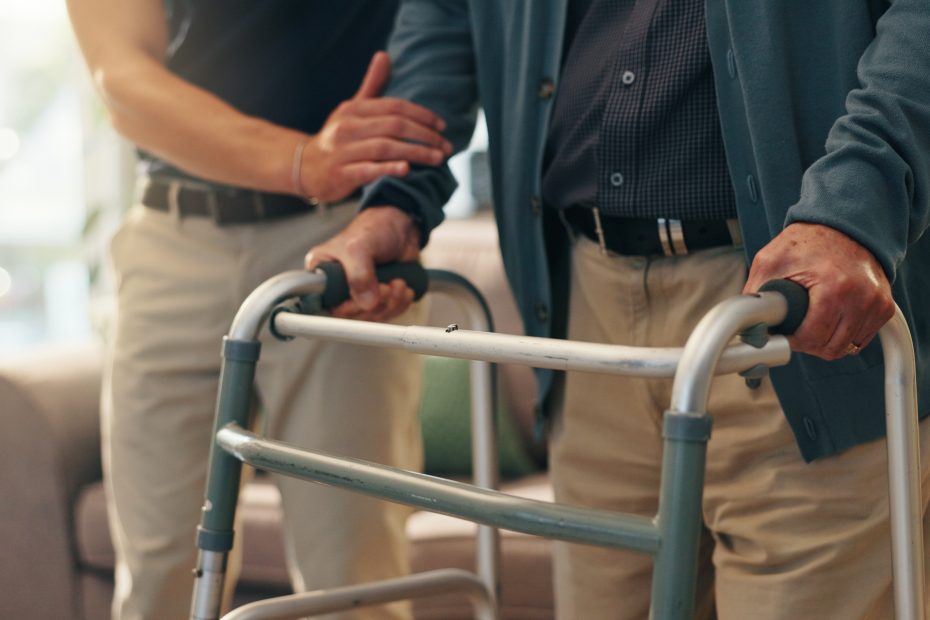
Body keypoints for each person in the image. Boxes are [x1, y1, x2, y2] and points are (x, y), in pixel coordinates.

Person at [305, 1, 930, 618]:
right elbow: (449, 15)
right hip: (585, 312)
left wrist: (856, 205)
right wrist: (396, 200)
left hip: (792, 302)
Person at [66, 1, 452, 618]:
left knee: (353, 580)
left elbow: (449, 36)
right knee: (161, 574)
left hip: (339, 241)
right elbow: (120, 78)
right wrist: (301, 161)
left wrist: (392, 207)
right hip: (175, 241)